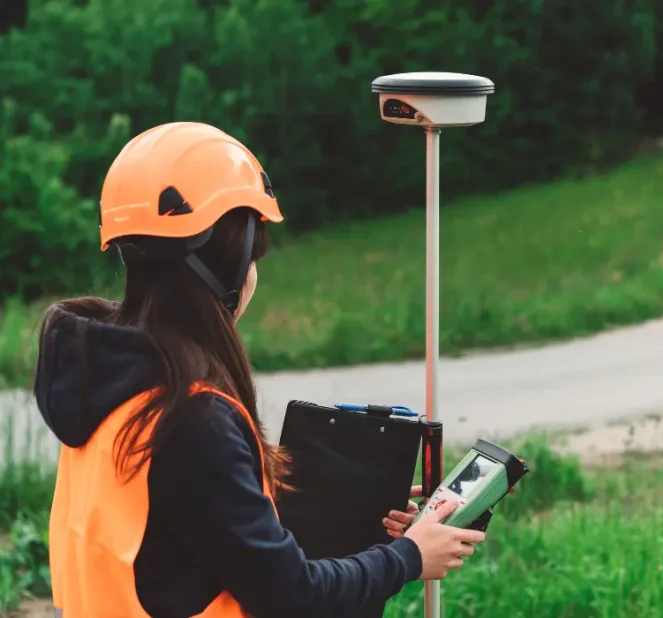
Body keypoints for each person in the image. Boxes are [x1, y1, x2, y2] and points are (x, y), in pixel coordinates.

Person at [33, 121, 485, 617]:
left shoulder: (109, 377)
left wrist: (353, 503)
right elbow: (293, 595)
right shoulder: (190, 413)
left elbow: (180, 530)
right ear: (226, 266)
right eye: (253, 254)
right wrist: (409, 557)